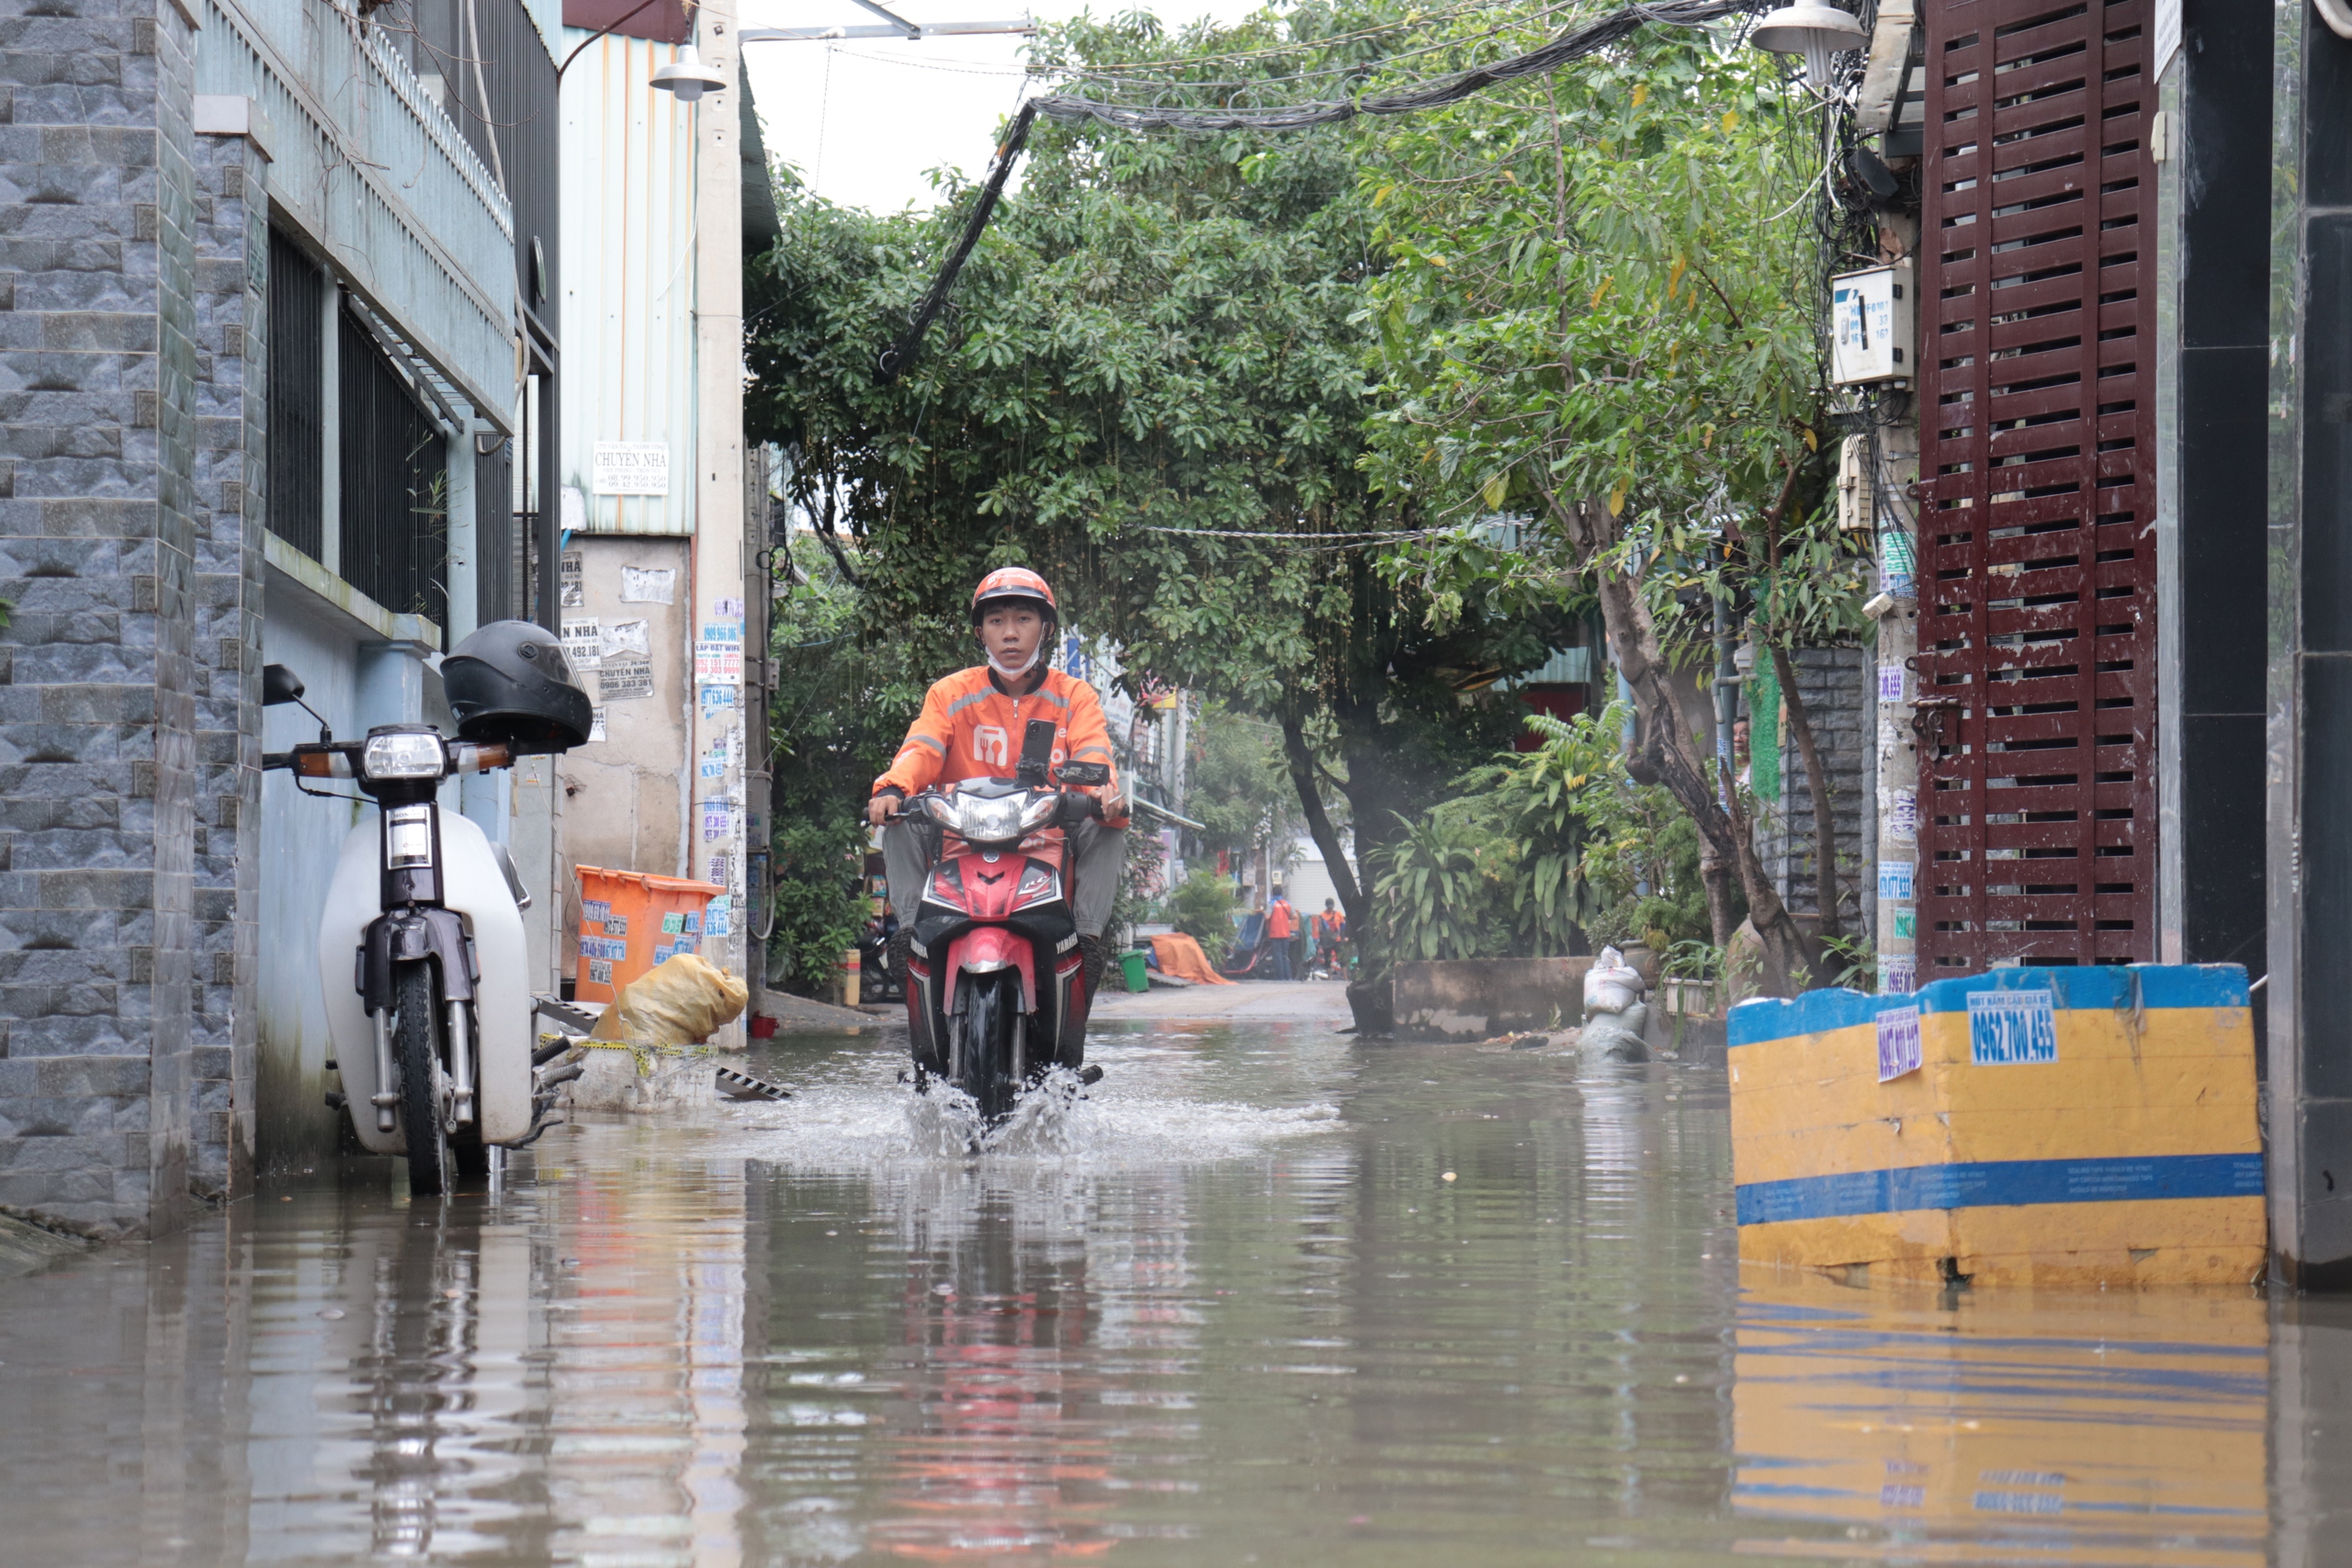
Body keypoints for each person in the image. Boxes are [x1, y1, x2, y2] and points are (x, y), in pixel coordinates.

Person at [865, 568, 1127, 1000]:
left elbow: (1092, 751)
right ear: (979, 632)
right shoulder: (950, 693)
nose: (1010, 634)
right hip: (958, 833)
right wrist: (893, 787)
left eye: (1023, 619)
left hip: (1046, 831)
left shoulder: (1074, 695)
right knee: (900, 817)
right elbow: (922, 746)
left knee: (1110, 824)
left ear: (1046, 629)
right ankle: (912, 935)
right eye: (996, 621)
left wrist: (1102, 791)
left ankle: (1087, 941)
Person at [1262, 888, 1297, 981]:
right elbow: (1294, 916)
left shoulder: (1271, 904)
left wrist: (1263, 912)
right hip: (1285, 933)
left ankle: (1280, 978)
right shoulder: (1287, 903)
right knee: (1284, 955)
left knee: (1277, 956)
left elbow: (1267, 917)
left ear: (1273, 894)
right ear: (1282, 893)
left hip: (1275, 933)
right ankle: (1288, 977)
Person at [1311, 898, 1346, 975]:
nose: (1330, 908)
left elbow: (1343, 925)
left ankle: (1345, 978)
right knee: (1327, 960)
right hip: (1327, 942)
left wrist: (1342, 936)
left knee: (1342, 959)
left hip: (1337, 940)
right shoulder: (1322, 915)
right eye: (1329, 907)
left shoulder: (1338, 914)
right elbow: (1320, 929)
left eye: (1331, 907)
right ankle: (1330, 980)